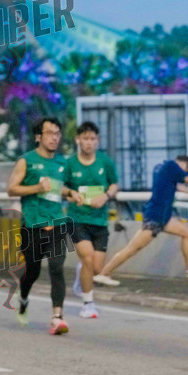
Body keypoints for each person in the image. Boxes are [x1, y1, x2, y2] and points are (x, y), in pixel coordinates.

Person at [6, 117, 73, 335]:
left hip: (57, 222)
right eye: (49, 133)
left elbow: (60, 188)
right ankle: (23, 297)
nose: (54, 138)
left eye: (57, 133)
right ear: (38, 137)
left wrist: (71, 193)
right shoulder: (26, 160)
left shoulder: (62, 163)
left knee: (57, 267)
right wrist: (36, 188)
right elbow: (12, 189)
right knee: (32, 272)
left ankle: (57, 317)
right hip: (33, 224)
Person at [94, 155, 188, 285]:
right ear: (183, 165)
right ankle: (104, 273)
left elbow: (182, 187)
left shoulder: (165, 169)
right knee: (132, 249)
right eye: (186, 170)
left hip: (163, 218)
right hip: (155, 218)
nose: (184, 173)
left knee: (186, 233)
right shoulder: (172, 166)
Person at [64, 122, 119, 318]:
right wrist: (71, 193)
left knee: (96, 268)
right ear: (78, 140)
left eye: (92, 139)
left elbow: (114, 184)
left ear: (97, 141)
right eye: (85, 138)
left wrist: (105, 196)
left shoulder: (105, 162)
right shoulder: (70, 163)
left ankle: (82, 274)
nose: (89, 142)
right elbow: (60, 186)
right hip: (77, 218)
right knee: (87, 256)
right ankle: (88, 304)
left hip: (100, 220)